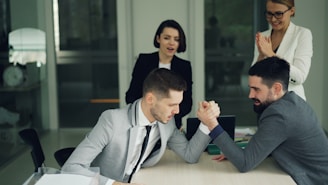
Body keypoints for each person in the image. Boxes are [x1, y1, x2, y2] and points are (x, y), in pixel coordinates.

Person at [62, 68, 218, 185]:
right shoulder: (112, 121)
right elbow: (71, 168)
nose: (177, 111)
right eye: (172, 104)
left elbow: (190, 155)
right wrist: (115, 184)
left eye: (179, 104)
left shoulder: (167, 122)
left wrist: (206, 123)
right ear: (150, 98)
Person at [199, 57, 328, 185]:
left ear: (277, 88)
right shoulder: (292, 101)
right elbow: (267, 142)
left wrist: (212, 124)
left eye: (256, 89)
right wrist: (235, 152)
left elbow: (244, 163)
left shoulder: (280, 115)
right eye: (250, 88)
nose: (250, 95)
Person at [125, 19, 192, 130]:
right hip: (143, 123)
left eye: (176, 39)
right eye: (167, 38)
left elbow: (187, 102)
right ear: (158, 38)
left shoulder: (184, 66)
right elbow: (131, 95)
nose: (171, 43)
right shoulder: (144, 61)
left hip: (172, 123)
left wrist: (169, 116)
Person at [251, 0, 313, 100]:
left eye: (279, 14)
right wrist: (261, 55)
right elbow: (254, 75)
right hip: (266, 103)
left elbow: (300, 77)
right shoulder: (263, 36)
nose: (273, 19)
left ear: (292, 11)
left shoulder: (302, 34)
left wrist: (271, 54)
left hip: (291, 103)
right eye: (269, 14)